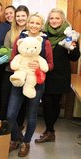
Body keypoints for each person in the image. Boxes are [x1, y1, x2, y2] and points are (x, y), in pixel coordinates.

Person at [7, 13, 54, 157]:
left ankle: (26, 142)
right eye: (31, 22)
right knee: (10, 115)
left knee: (32, 115)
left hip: (36, 83)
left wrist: (38, 67)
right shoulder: (20, 39)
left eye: (37, 23)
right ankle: (15, 138)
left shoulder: (45, 42)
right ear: (28, 23)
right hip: (19, 81)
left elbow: (50, 65)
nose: (34, 25)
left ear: (41, 25)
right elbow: (12, 60)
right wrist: (18, 66)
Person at [35, 8, 80, 143]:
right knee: (47, 103)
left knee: (55, 104)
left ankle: (50, 131)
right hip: (45, 74)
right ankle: (50, 130)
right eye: (52, 18)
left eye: (57, 18)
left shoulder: (69, 34)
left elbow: (75, 57)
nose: (54, 21)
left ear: (62, 20)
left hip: (60, 77)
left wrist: (73, 46)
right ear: (48, 20)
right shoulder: (43, 34)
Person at [1, 5, 29, 140]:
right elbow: (5, 50)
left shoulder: (32, 32)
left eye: (23, 15)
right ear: (15, 17)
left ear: (27, 16)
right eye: (18, 16)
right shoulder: (9, 32)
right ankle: (11, 133)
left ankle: (18, 131)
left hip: (26, 74)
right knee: (7, 101)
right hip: (10, 72)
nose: (20, 18)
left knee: (22, 104)